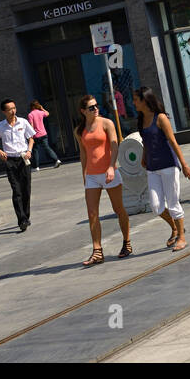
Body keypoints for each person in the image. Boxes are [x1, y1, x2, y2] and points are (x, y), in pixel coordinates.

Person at [73, 94, 131, 266]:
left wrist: (112, 166)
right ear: (83, 111)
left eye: (96, 105)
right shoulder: (79, 130)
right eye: (91, 107)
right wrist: (83, 174)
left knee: (118, 209)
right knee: (92, 214)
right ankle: (97, 251)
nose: (96, 109)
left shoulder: (106, 123)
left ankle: (127, 242)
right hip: (92, 176)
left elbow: (114, 145)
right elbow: (83, 153)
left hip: (108, 173)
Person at [135, 86, 190, 251]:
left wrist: (184, 164)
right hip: (152, 168)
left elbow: (173, 142)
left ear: (145, 100)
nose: (133, 103)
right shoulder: (140, 119)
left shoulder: (160, 118)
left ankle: (182, 237)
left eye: (136, 99)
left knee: (173, 203)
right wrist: (144, 157)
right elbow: (145, 141)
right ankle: (174, 227)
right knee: (156, 206)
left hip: (168, 165)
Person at [0, 99, 36, 232]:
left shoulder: (23, 122)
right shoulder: (0, 126)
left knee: (26, 189)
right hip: (10, 161)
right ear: (4, 112)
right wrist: (0, 152)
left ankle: (26, 217)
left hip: (23, 158)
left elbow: (32, 138)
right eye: (10, 109)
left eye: (14, 108)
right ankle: (21, 220)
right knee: (16, 190)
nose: (13, 111)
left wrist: (29, 151)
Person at [26, 99, 62, 171]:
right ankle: (56, 160)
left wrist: (31, 136)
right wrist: (42, 108)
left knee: (35, 150)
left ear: (32, 106)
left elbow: (31, 126)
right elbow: (47, 113)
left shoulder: (30, 114)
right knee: (47, 148)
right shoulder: (40, 112)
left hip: (35, 135)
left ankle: (36, 167)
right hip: (43, 134)